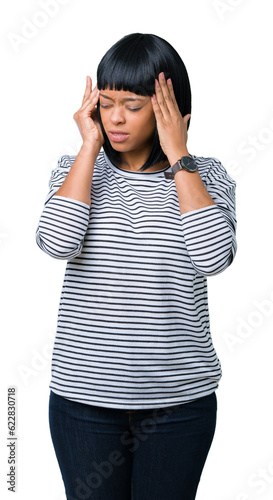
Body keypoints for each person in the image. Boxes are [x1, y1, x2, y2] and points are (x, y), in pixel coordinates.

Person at [36, 33, 237, 500]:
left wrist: (179, 155)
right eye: (106, 104)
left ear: (169, 109)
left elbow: (213, 257)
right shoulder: (74, 169)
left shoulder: (207, 175)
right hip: (83, 402)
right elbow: (56, 243)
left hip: (179, 405)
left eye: (132, 104)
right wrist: (88, 148)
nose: (116, 118)